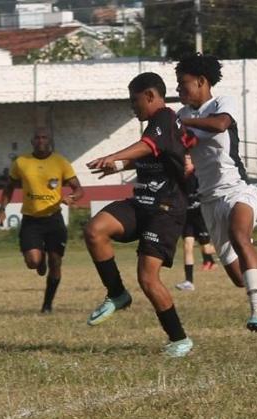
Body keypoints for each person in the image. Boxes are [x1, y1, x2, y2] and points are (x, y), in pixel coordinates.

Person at [175, 54, 257, 333]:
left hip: (238, 189)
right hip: (209, 200)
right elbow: (176, 147)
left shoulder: (222, 103)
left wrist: (185, 127)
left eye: (182, 83)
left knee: (240, 235)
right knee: (238, 277)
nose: (178, 89)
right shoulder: (181, 115)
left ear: (201, 81)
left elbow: (221, 124)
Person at [82, 72, 196, 357]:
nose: (132, 106)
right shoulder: (158, 127)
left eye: (135, 100)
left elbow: (148, 147)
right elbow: (157, 155)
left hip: (166, 209)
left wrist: (115, 156)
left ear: (150, 96)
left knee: (148, 278)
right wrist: (120, 167)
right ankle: (117, 294)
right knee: (95, 230)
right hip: (142, 202)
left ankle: (179, 340)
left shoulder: (164, 118)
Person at [0, 127, 84, 314]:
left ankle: (47, 305)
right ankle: (40, 258)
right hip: (31, 220)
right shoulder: (21, 162)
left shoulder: (61, 162)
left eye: (44, 137)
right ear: (32, 141)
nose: (41, 140)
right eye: (37, 137)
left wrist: (72, 197)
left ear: (50, 140)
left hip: (54, 219)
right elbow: (8, 188)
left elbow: (78, 189)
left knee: (56, 262)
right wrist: (2, 209)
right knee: (33, 262)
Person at [175, 153, 218, 292]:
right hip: (187, 216)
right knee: (187, 246)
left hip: (201, 216)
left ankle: (232, 244)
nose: (185, 162)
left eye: (188, 159)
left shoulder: (199, 175)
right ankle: (189, 282)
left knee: (206, 249)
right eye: (184, 159)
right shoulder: (179, 177)